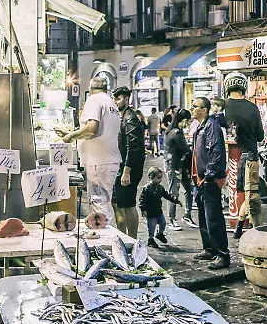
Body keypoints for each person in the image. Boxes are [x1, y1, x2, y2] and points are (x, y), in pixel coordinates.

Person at [61, 77, 121, 229]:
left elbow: (91, 129)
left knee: (99, 204)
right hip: (108, 159)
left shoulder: (93, 100)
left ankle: (107, 242)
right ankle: (105, 239)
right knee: (104, 202)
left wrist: (71, 136)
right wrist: (73, 132)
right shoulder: (111, 103)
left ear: (91, 89)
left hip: (99, 161)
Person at [223, 74, 265, 238]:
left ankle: (239, 226)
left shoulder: (224, 108)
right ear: (243, 87)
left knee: (245, 194)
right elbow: (260, 136)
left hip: (233, 158)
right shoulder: (252, 107)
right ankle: (258, 232)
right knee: (252, 196)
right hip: (250, 157)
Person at [191, 97, 230, 269]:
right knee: (203, 215)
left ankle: (222, 254)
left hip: (209, 179)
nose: (192, 109)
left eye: (195, 106)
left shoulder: (211, 126)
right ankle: (210, 248)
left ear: (204, 110)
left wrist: (209, 175)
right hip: (200, 179)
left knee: (213, 217)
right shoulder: (200, 127)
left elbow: (215, 151)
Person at [112, 86, 147, 239]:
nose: (116, 102)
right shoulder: (123, 116)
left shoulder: (130, 118)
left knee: (127, 204)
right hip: (123, 166)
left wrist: (127, 171)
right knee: (119, 204)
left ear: (126, 99)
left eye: (118, 98)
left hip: (129, 168)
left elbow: (132, 146)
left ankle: (131, 240)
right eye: (115, 98)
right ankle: (123, 238)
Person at [164, 108, 193, 231]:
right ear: (185, 120)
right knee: (174, 192)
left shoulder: (170, 130)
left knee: (186, 189)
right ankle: (172, 219)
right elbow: (185, 149)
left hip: (174, 164)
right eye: (189, 121)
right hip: (175, 166)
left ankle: (186, 215)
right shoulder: (177, 133)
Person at [139, 167, 180, 247]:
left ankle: (160, 234)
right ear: (151, 177)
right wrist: (143, 209)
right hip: (151, 213)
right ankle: (150, 239)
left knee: (163, 223)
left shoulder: (160, 188)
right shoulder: (147, 188)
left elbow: (166, 195)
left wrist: (175, 200)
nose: (160, 180)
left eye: (161, 178)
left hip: (158, 211)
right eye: (158, 178)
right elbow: (142, 199)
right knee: (151, 227)